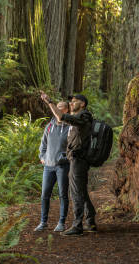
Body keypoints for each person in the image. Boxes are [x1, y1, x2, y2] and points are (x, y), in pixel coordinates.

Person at [40, 92, 96, 236]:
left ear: (82, 104)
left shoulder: (83, 116)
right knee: (81, 190)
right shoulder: (77, 118)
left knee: (76, 192)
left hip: (79, 160)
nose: (71, 103)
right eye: (70, 101)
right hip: (74, 159)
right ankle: (90, 220)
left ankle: (77, 226)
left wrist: (49, 102)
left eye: (74, 101)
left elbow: (61, 116)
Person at [34, 100, 71, 232]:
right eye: (57, 107)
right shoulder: (49, 126)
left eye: (61, 107)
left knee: (63, 194)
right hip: (48, 166)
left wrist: (64, 158)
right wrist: (42, 158)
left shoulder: (70, 127)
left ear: (67, 110)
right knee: (45, 195)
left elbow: (72, 148)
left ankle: (62, 222)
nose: (58, 109)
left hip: (62, 166)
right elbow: (43, 145)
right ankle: (43, 222)